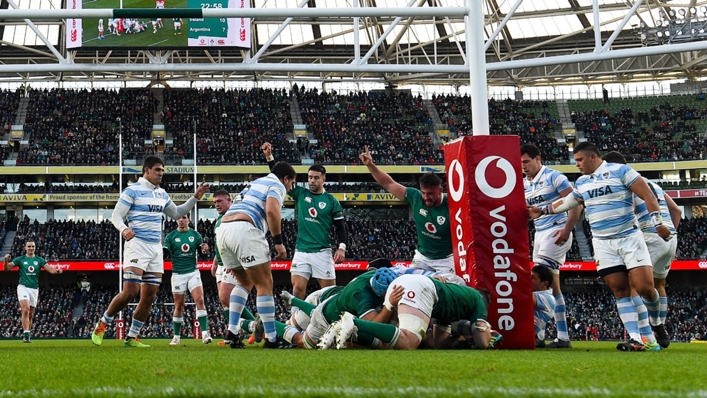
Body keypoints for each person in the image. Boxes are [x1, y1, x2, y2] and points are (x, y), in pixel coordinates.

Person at [528, 141, 670, 352]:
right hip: (603, 243)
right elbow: (567, 202)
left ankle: (656, 325)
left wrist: (658, 223)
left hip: (629, 238)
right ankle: (638, 339)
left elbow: (647, 194)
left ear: (593, 157)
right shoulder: (583, 182)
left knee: (645, 289)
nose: (577, 164)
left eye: (579, 160)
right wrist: (543, 210)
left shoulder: (620, 171)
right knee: (620, 290)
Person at [91, 155, 209, 348]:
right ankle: (103, 323)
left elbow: (177, 213)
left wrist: (195, 197)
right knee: (130, 292)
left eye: (162, 170)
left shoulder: (162, 194)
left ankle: (132, 337)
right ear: (146, 170)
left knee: (150, 296)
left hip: (156, 248)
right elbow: (116, 215)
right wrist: (124, 229)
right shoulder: (132, 191)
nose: (161, 173)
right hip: (137, 244)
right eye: (157, 170)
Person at [602, 151, 681, 348]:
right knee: (659, 283)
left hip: (649, 234)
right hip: (669, 238)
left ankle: (646, 335)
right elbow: (677, 211)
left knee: (633, 284)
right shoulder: (652, 183)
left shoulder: (626, 183)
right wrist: (669, 232)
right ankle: (659, 326)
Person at [216, 161, 297, 349]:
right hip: (245, 228)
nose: (290, 188)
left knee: (244, 282)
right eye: (291, 183)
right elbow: (271, 210)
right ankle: (271, 338)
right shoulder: (277, 185)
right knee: (265, 283)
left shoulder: (255, 183)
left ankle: (232, 331)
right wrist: (278, 242)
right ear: (285, 178)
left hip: (224, 229)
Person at [263, 143, 347, 303]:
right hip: (301, 251)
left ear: (324, 179)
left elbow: (340, 227)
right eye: (310, 178)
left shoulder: (331, 201)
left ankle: (327, 323)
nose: (312, 181)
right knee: (297, 288)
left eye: (316, 178)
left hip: (322, 251)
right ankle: (295, 321)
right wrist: (269, 158)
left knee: (328, 294)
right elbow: (280, 178)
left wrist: (342, 248)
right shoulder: (301, 194)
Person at [327, 274, 494, 350]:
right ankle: (355, 323)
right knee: (409, 342)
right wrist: (484, 329)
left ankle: (353, 333)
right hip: (422, 289)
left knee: (388, 345)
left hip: (402, 283)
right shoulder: (478, 299)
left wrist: (458, 333)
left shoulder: (457, 304)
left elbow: (438, 343)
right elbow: (483, 342)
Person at [521, 143, 581, 348]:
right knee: (553, 288)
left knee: (537, 281)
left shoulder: (555, 177)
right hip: (540, 234)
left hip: (557, 231)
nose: (523, 166)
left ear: (538, 159)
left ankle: (538, 333)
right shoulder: (524, 184)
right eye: (520, 163)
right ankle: (562, 337)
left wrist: (567, 229)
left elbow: (576, 202)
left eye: (526, 161)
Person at [359, 145, 453, 273]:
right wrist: (370, 165)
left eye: (430, 193)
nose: (426, 197)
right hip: (422, 258)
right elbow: (388, 183)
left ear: (440, 190)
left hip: (446, 260)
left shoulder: (451, 204)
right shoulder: (415, 197)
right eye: (423, 192)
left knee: (446, 289)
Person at [278, 267, 401, 349]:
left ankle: (293, 300)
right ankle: (269, 323)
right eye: (388, 292)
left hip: (335, 305)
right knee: (303, 342)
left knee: (293, 323)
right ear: (379, 290)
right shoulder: (361, 296)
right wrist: (389, 304)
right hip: (326, 316)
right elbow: (373, 326)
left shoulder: (373, 276)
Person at [209, 189, 260, 346]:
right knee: (224, 301)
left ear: (229, 201)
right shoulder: (220, 219)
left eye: (220, 201)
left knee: (226, 297)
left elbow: (238, 239)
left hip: (231, 263)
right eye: (215, 202)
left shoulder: (234, 216)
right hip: (222, 262)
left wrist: (234, 261)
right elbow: (221, 243)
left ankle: (254, 326)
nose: (217, 204)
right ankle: (235, 334)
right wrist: (215, 261)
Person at [163, 213, 211, 346]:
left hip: (193, 272)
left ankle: (205, 334)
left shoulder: (196, 235)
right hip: (178, 274)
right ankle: (176, 337)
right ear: (176, 220)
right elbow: (164, 254)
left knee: (200, 300)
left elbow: (203, 255)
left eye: (184, 217)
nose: (181, 220)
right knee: (179, 305)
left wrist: (205, 250)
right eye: (179, 217)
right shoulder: (171, 236)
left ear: (188, 219)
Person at [3, 241, 63, 343]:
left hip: (34, 289)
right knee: (25, 310)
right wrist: (5, 261)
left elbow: (50, 269)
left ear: (35, 248)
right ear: (25, 248)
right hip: (23, 287)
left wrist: (57, 271)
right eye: (29, 246)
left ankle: (27, 334)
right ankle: (26, 333)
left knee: (30, 314)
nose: (31, 248)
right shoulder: (20, 259)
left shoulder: (39, 260)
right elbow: (7, 269)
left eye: (33, 246)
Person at [531, 265, 556, 348]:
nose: (528, 280)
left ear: (544, 284)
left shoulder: (548, 298)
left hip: (521, 336)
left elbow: (527, 299)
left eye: (533, 278)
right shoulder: (538, 295)